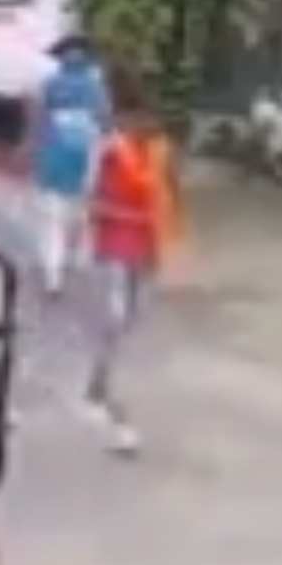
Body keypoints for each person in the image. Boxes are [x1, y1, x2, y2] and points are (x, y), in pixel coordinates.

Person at [79, 117, 180, 455]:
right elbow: (93, 201)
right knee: (117, 319)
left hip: (137, 249)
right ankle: (115, 411)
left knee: (124, 323)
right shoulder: (113, 156)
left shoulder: (149, 159)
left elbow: (164, 204)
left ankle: (101, 383)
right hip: (120, 249)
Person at [29, 36, 113, 297]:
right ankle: (73, 258)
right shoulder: (95, 88)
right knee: (80, 214)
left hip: (53, 158)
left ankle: (53, 276)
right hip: (85, 159)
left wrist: (36, 153)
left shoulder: (49, 86)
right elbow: (105, 121)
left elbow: (38, 123)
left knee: (52, 220)